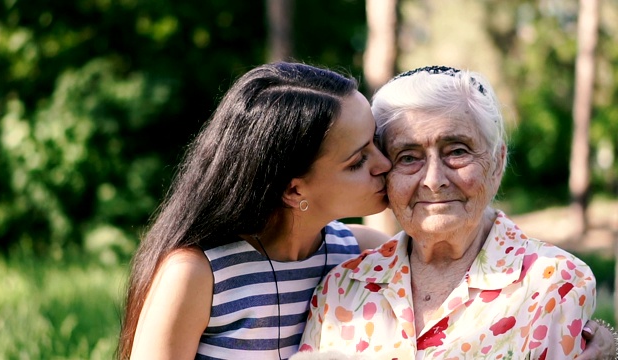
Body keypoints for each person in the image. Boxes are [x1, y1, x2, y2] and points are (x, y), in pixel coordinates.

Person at [298, 66, 603, 359]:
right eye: (408, 157)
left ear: (497, 163)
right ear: (384, 172)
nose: (433, 180)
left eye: (457, 151)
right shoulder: (342, 286)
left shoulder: (555, 283)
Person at [116, 62, 393, 360]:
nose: (385, 164)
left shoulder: (363, 256)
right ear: (293, 190)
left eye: (376, 141)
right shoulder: (197, 275)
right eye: (357, 161)